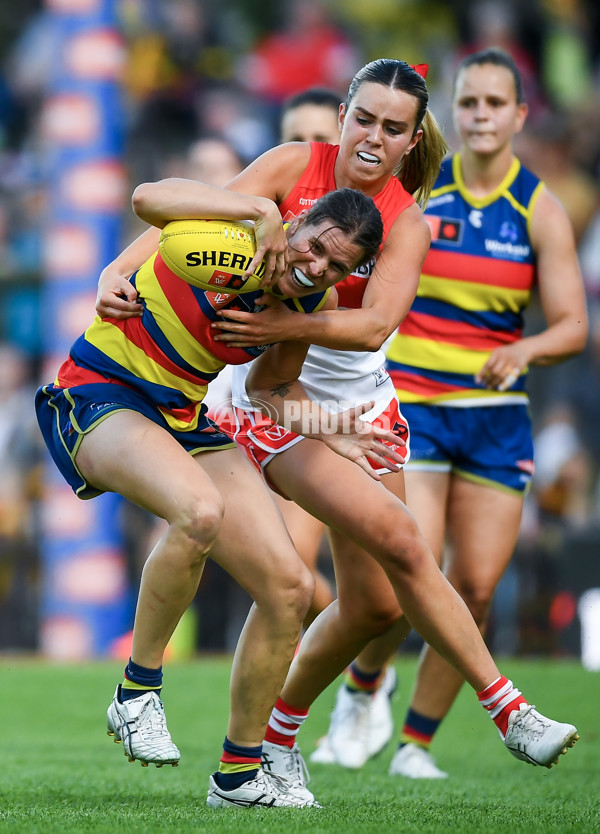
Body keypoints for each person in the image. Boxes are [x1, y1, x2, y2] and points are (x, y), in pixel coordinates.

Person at [97, 59, 579, 807]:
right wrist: (117, 270)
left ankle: (280, 741)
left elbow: (377, 324)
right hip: (273, 400)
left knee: (378, 606)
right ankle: (508, 711)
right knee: (392, 545)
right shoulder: (295, 163)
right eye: (364, 119)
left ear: (411, 136)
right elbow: (189, 225)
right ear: (345, 113)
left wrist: (291, 322)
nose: (373, 138)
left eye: (393, 128)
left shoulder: (407, 220)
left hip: (360, 408)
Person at [36, 186, 395, 810]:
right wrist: (256, 211)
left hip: (182, 413)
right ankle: (137, 691)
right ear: (298, 222)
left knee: (291, 588)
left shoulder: (312, 298)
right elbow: (148, 198)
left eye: (336, 266)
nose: (315, 267)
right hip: (100, 392)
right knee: (199, 511)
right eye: (313, 247)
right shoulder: (229, 240)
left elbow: (270, 390)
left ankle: (237, 778)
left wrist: (336, 430)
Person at [312, 47, 588, 778]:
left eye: (496, 104)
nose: (482, 116)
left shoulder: (540, 207)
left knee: (477, 586)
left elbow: (572, 324)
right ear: (449, 117)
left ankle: (416, 745)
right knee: (413, 561)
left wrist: (526, 351)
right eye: (469, 103)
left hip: (495, 414)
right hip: (417, 403)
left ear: (520, 116)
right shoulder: (417, 195)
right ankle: (361, 696)